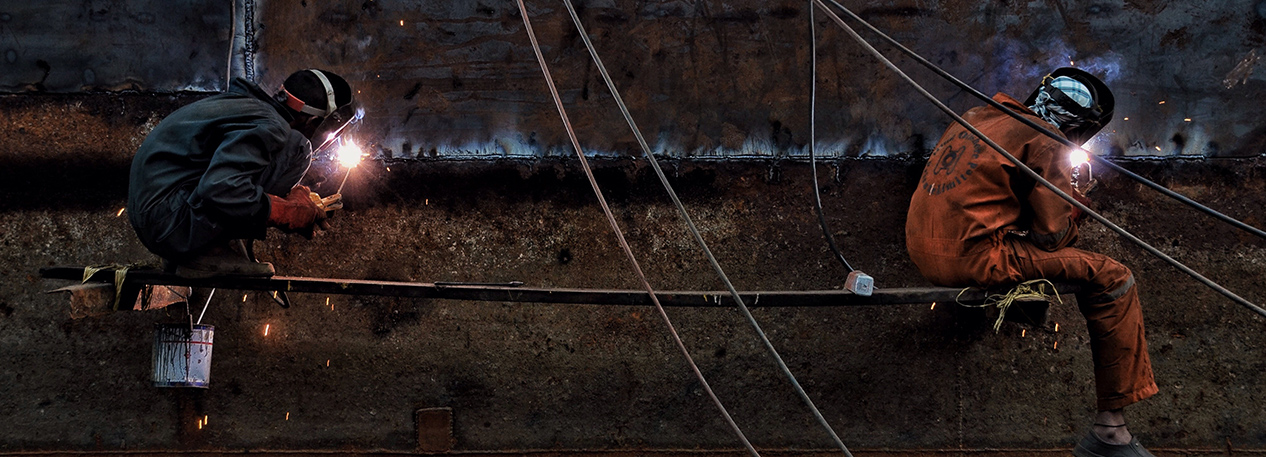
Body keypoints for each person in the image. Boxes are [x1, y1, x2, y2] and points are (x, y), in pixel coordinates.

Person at [905, 68, 1157, 457]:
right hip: (975, 258)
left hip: (923, 250)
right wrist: (1074, 205)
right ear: (1080, 127)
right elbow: (1052, 238)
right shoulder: (1048, 138)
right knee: (1114, 277)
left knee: (1028, 255)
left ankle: (1025, 302)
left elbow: (982, 196)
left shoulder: (978, 116)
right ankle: (1112, 431)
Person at [128, 69, 354, 278]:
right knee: (298, 148)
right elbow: (219, 187)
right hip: (170, 224)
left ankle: (199, 251)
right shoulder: (273, 126)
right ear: (314, 121)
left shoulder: (244, 106)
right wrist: (284, 211)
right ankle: (207, 252)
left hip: (156, 221)